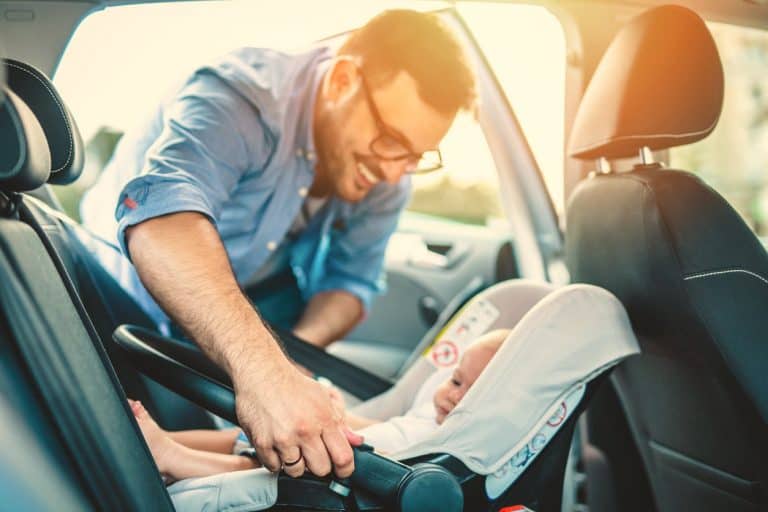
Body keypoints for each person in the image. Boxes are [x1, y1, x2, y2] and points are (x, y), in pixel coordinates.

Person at [80, 9, 475, 479]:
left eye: (417, 155)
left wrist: (291, 361)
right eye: (391, 141)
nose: (395, 172)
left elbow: (351, 283)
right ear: (343, 80)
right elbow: (161, 220)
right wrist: (263, 371)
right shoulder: (242, 98)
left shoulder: (389, 171)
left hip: (251, 299)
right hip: (128, 293)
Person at [131, 330, 508, 481]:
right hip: (340, 437)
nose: (453, 396)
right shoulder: (431, 412)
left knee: (259, 461)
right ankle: (158, 438)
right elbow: (383, 426)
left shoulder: (449, 444)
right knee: (242, 433)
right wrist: (339, 413)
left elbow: (388, 447)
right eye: (455, 381)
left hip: (342, 466)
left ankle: (175, 458)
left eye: (469, 395)